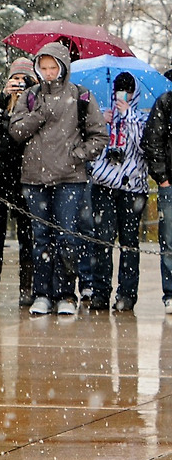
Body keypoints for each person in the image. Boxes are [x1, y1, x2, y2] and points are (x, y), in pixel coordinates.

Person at [9, 41, 107, 316]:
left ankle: (65, 294)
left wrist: (76, 155)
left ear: (63, 67)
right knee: (40, 238)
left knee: (68, 237)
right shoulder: (29, 96)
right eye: (44, 67)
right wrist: (38, 115)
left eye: (54, 67)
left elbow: (99, 136)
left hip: (70, 178)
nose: (49, 72)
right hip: (34, 179)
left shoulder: (81, 95)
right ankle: (42, 293)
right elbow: (15, 131)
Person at [88, 72, 148, 312]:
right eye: (118, 90)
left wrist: (127, 116)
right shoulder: (104, 114)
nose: (122, 96)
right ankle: (100, 292)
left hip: (132, 188)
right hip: (104, 185)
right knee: (102, 241)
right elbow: (92, 144)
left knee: (129, 243)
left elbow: (144, 145)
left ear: (134, 93)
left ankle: (127, 294)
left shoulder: (141, 117)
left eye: (127, 91)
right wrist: (102, 122)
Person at [0, 57, 36, 306]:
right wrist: (2, 99)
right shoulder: (0, 104)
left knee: (27, 234)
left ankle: (26, 287)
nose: (18, 84)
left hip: (25, 175)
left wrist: (27, 99)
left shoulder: (34, 103)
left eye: (23, 80)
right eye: (14, 79)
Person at [141, 84, 172, 314]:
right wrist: (162, 178)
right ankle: (171, 293)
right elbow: (152, 140)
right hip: (170, 184)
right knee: (169, 241)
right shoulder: (166, 102)